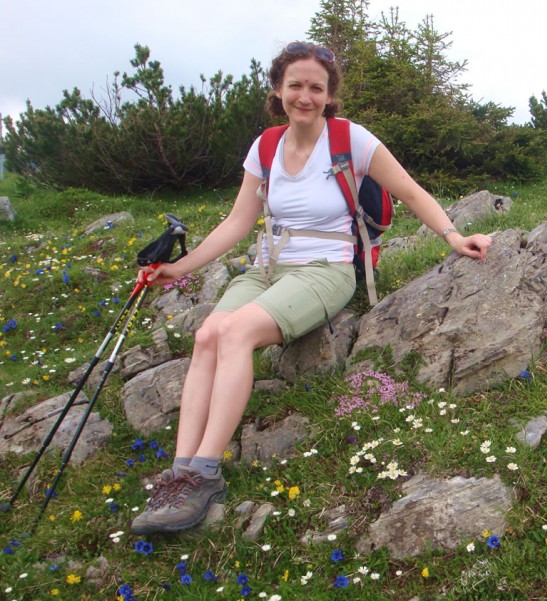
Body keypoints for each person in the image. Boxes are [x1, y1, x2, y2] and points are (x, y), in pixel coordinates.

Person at [130, 41, 492, 534]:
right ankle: (180, 471)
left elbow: (409, 190)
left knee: (235, 333)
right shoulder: (266, 146)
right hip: (267, 268)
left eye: (315, 87)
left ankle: (205, 473)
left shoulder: (351, 139)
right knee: (207, 334)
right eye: (295, 85)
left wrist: (454, 236)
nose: (305, 95)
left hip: (326, 270)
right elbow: (239, 222)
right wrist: (180, 268)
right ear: (278, 89)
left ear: (329, 95)